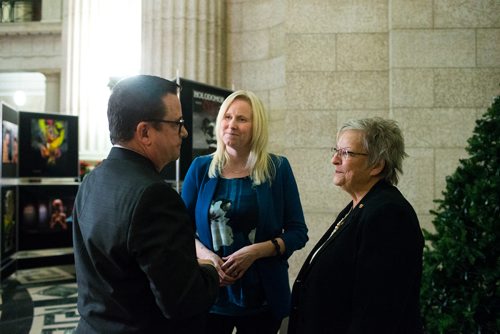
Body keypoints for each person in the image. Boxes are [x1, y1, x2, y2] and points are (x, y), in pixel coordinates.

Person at [72, 75, 219, 333]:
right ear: (145, 132)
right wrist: (209, 268)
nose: (184, 132)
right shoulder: (154, 196)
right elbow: (182, 303)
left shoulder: (92, 179)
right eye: (177, 123)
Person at [181, 90, 308, 334]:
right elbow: (179, 229)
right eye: (227, 117)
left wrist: (256, 251)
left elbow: (298, 232)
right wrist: (207, 256)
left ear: (256, 126)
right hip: (210, 295)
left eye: (242, 119)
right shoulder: (200, 168)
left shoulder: (278, 168)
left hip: (263, 298)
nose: (232, 125)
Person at [288, 117, 424, 334]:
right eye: (336, 150)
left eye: (346, 153)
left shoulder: (388, 214)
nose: (334, 159)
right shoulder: (360, 205)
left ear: (377, 165)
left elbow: (377, 310)